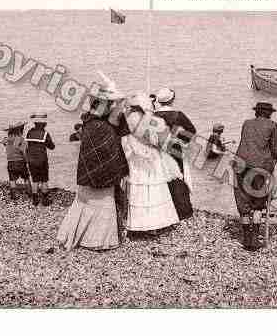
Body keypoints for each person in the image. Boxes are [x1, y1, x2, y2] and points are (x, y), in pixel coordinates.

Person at [57, 74, 130, 251]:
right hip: (103, 174)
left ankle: (77, 235)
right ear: (106, 105)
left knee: (86, 201)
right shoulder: (103, 127)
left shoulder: (90, 122)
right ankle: (98, 240)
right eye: (112, 104)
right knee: (102, 202)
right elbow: (120, 132)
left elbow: (120, 128)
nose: (116, 107)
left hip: (88, 173)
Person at [121, 92, 180, 233]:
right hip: (149, 156)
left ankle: (136, 223)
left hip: (134, 157)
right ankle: (154, 224)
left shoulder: (127, 118)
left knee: (138, 189)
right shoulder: (145, 120)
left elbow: (125, 138)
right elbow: (155, 139)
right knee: (153, 188)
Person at [234, 102, 277, 251]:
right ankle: (255, 237)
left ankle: (246, 237)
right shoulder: (272, 125)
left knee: (242, 198)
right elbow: (275, 150)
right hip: (260, 166)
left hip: (241, 163)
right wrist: (271, 169)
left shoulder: (246, 123)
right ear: (270, 113)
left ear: (256, 112)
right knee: (258, 200)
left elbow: (245, 143)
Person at [153, 87, 196, 220]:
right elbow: (191, 130)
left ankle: (163, 209)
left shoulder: (153, 115)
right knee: (178, 176)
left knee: (160, 175)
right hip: (174, 147)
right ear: (172, 100)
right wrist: (180, 140)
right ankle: (183, 210)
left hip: (157, 147)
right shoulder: (178, 114)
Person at [25, 113, 55, 206]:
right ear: (44, 124)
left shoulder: (29, 132)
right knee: (44, 180)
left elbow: (27, 146)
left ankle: (35, 200)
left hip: (31, 160)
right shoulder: (45, 133)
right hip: (42, 160)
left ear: (35, 123)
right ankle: (45, 200)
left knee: (35, 179)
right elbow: (51, 146)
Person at [2, 121, 31, 200]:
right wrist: (27, 160)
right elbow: (24, 152)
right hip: (20, 162)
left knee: (12, 179)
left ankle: (13, 195)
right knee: (26, 177)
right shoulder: (21, 139)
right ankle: (29, 192)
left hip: (10, 162)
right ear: (20, 130)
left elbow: (6, 145)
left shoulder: (6, 140)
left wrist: (5, 143)